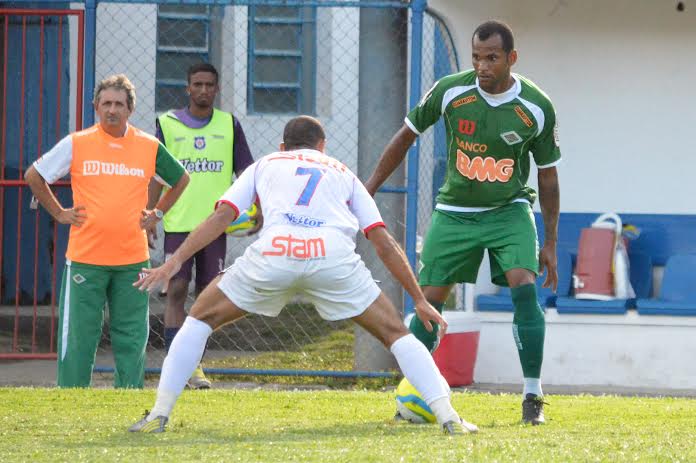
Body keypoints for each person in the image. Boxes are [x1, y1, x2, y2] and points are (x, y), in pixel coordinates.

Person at [128, 116, 478, 435]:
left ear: (283, 147)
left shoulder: (265, 163)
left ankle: (159, 413)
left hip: (275, 254)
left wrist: (173, 263)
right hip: (331, 259)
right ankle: (449, 417)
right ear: (322, 147)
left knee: (199, 318)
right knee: (396, 333)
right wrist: (418, 299)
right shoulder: (342, 171)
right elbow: (382, 240)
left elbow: (221, 216)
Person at [364, 20, 561, 425]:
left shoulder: (537, 107)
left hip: (509, 211)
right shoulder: (451, 90)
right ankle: (412, 396)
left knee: (524, 285)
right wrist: (368, 188)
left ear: (511, 59)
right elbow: (406, 135)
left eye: (491, 58)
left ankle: (532, 397)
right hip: (454, 212)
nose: (482, 66)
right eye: (476, 57)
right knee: (428, 301)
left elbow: (547, 176)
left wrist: (551, 243)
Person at [25, 74, 190, 388]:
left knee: (131, 337)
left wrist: (157, 213)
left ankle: (127, 400)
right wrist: (59, 212)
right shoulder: (77, 142)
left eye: (119, 104)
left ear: (130, 109)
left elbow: (180, 179)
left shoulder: (148, 145)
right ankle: (72, 400)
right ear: (95, 107)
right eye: (106, 104)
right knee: (79, 337)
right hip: (86, 258)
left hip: (132, 260)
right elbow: (35, 175)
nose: (112, 110)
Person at [148, 62, 256, 389]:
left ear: (217, 88)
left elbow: (248, 174)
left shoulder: (229, 125)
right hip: (179, 225)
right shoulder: (167, 124)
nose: (204, 90)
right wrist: (150, 214)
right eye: (198, 84)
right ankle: (174, 364)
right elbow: (155, 173)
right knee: (176, 291)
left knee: (207, 298)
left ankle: (195, 367)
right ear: (187, 87)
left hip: (215, 228)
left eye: (210, 85)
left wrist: (259, 209)